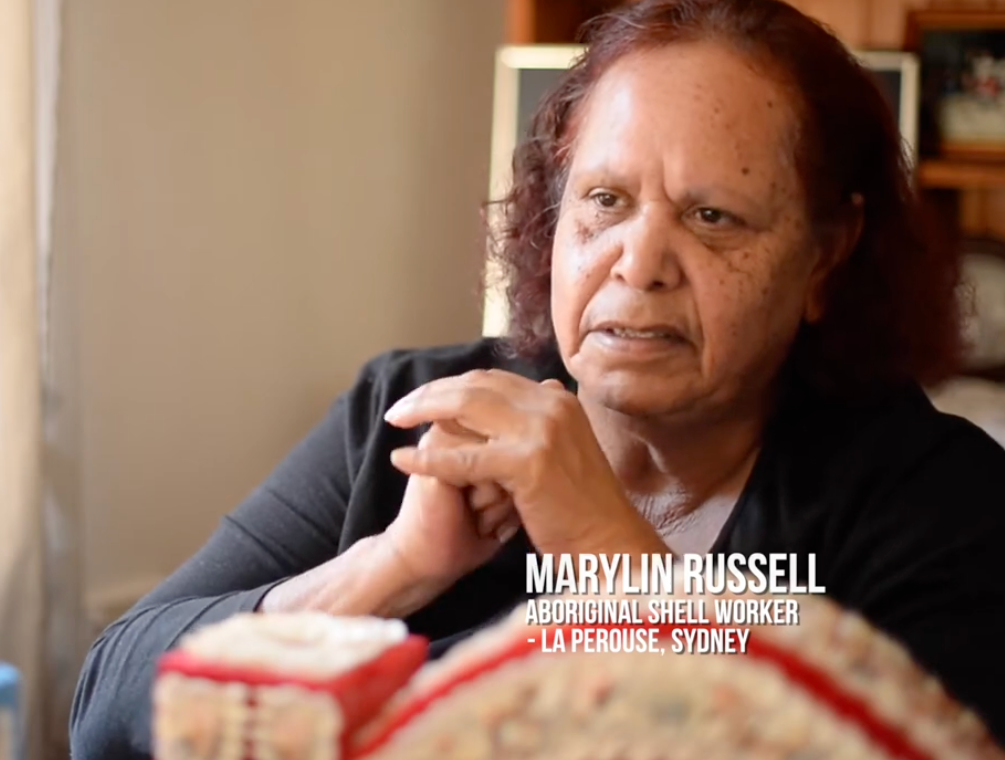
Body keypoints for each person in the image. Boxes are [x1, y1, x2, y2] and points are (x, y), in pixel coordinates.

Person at [70, 0, 1005, 757]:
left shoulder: (935, 502)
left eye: (714, 216)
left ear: (827, 258)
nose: (639, 264)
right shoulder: (406, 416)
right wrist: (388, 570)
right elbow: (105, 712)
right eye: (604, 200)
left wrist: (606, 545)